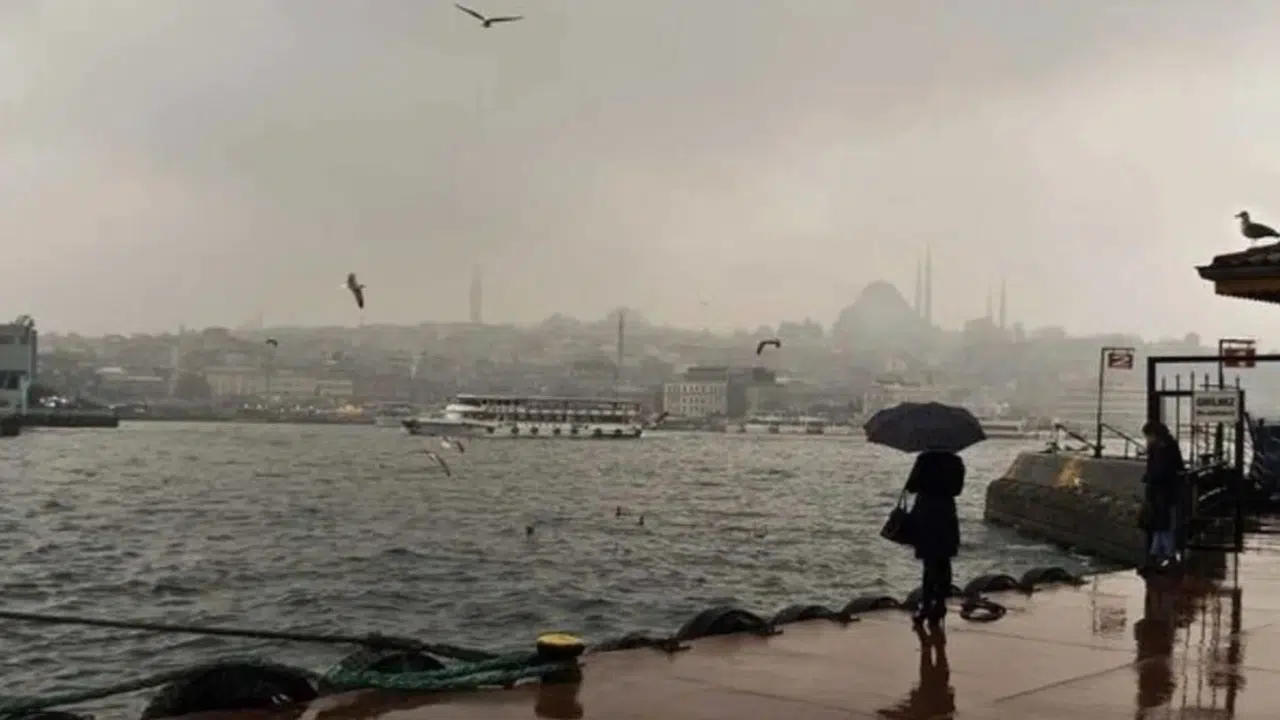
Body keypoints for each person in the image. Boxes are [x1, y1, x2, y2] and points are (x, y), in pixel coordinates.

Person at [905, 449, 965, 626]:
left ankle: (926, 606)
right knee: (944, 560)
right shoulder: (956, 461)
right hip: (946, 514)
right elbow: (957, 490)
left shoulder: (924, 459)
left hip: (926, 513)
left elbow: (911, 487)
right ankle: (940, 603)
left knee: (929, 562)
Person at [1140, 420, 1185, 572]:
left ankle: (1166, 557)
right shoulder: (1161, 447)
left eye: (1149, 436)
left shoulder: (1166, 448)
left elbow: (1168, 469)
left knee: (1163, 526)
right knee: (1160, 526)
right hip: (1159, 491)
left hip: (1164, 491)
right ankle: (1156, 557)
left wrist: (1151, 477)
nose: (1148, 439)